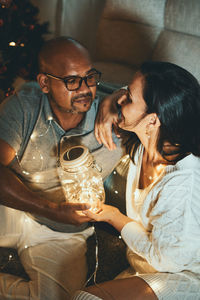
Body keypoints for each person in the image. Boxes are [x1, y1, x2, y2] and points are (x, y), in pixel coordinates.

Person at [0, 36, 124, 300]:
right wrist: (51, 209)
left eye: (90, 77)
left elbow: (163, 98)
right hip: (12, 207)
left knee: (60, 297)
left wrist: (119, 97)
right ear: (45, 83)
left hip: (61, 233)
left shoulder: (113, 112)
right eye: (72, 80)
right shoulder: (23, 108)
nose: (85, 88)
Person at [72, 61, 200, 300]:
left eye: (128, 98)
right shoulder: (144, 143)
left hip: (182, 276)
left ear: (152, 120)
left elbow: (167, 261)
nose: (121, 99)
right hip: (144, 268)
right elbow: (105, 93)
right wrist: (111, 101)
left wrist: (113, 216)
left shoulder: (183, 183)